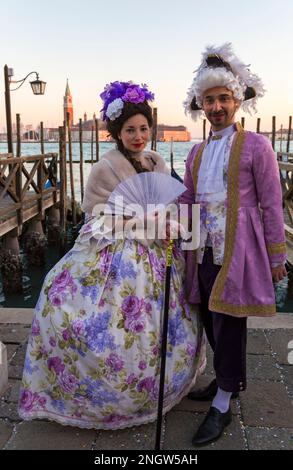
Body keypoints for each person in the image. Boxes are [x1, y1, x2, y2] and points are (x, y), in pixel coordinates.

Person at [18, 80, 205, 430]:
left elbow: (167, 205)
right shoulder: (104, 168)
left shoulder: (156, 162)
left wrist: (166, 222)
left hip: (153, 254)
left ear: (151, 129)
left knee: (160, 327)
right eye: (130, 129)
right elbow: (97, 219)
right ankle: (99, 396)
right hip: (116, 254)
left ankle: (155, 389)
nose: (138, 135)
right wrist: (138, 221)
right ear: (117, 132)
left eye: (144, 128)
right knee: (69, 307)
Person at [180, 43, 287, 446]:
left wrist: (277, 256)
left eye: (224, 97)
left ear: (237, 99)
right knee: (209, 316)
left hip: (237, 249)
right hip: (201, 247)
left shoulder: (258, 146)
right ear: (201, 105)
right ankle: (227, 380)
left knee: (229, 322)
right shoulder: (196, 151)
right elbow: (189, 199)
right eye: (210, 100)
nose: (217, 106)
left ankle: (224, 399)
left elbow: (272, 203)